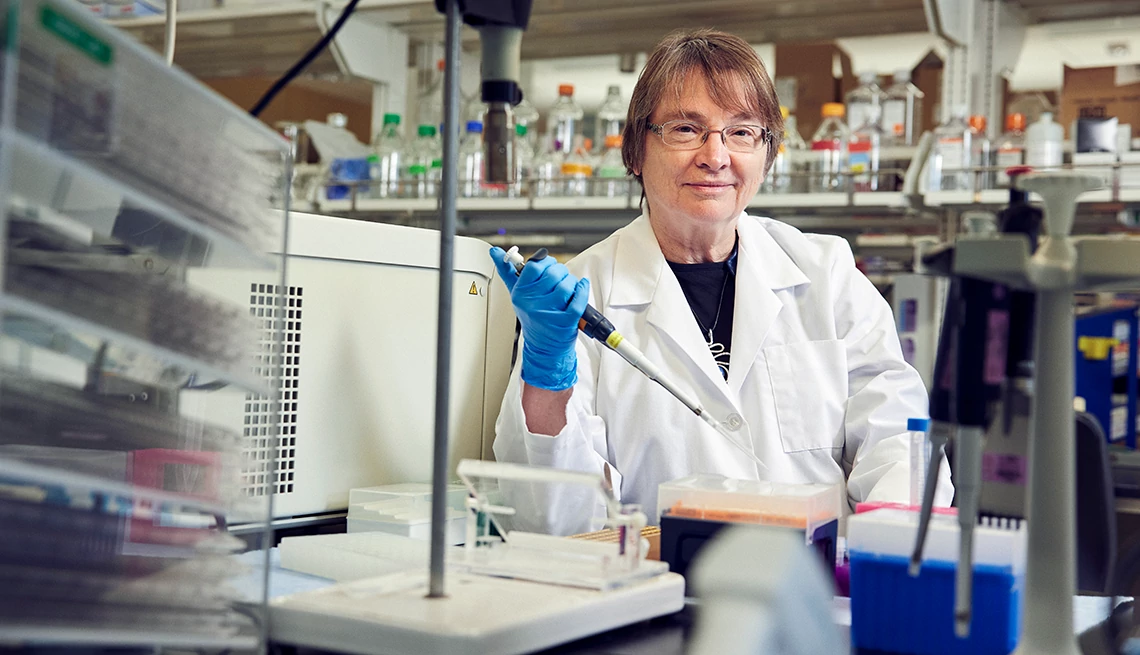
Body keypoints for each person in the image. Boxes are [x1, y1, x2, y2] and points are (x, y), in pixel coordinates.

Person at [489, 28, 953, 533]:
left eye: (742, 132)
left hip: (814, 592)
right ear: (637, 149)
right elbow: (552, 519)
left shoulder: (827, 274)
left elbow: (898, 440)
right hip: (657, 594)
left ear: (767, 154)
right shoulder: (581, 294)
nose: (716, 156)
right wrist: (545, 376)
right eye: (686, 129)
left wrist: (885, 553)